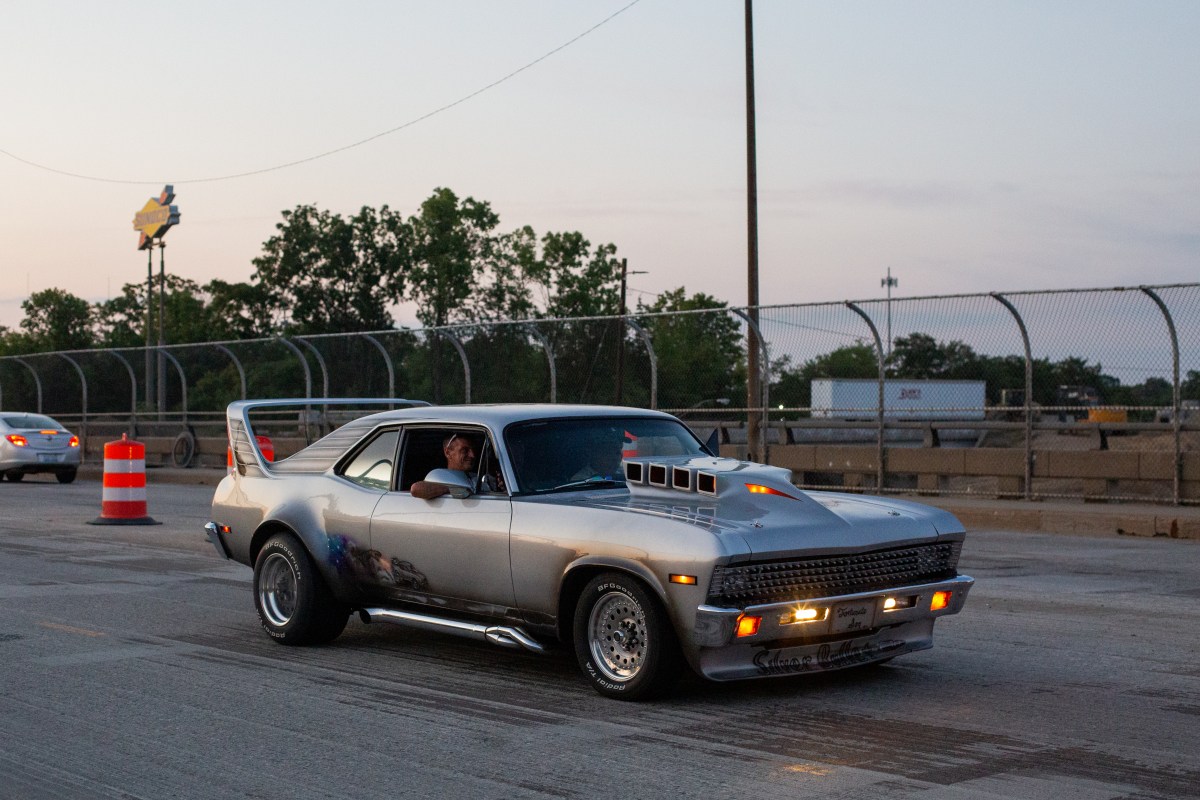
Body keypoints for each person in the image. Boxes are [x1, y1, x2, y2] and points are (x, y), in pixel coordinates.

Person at [411, 433, 478, 499]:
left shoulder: (478, 477)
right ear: (448, 453)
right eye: (464, 450)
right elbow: (415, 489)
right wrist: (452, 489)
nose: (472, 455)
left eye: (473, 450)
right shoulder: (440, 478)